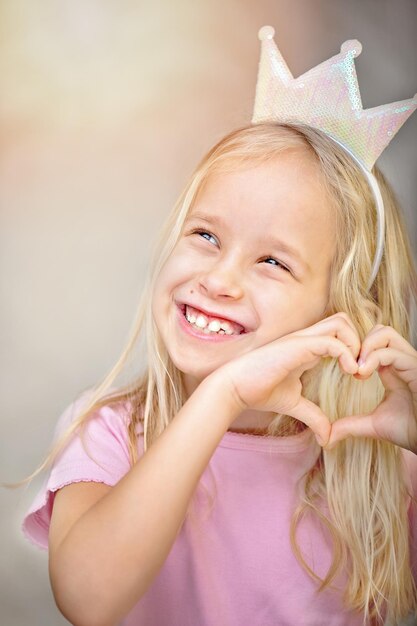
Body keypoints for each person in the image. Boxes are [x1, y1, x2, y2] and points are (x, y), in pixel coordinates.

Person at [9, 27, 417, 626]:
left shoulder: (379, 466)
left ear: (339, 315)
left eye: (272, 261)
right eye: (206, 236)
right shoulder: (111, 433)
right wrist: (222, 397)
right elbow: (88, 599)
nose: (221, 279)